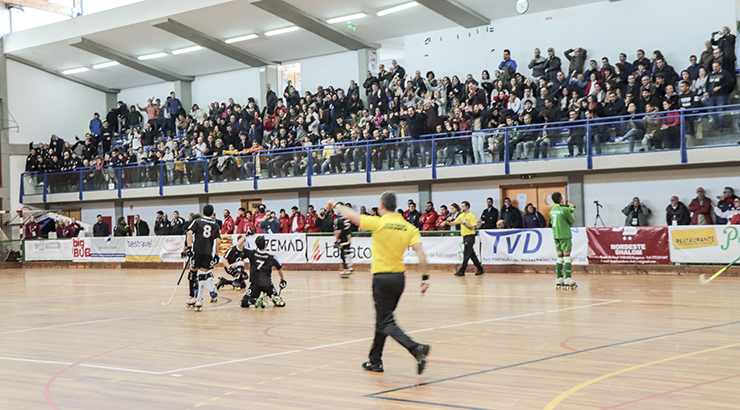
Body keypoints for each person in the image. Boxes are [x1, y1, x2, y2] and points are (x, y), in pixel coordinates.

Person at [327, 192, 430, 375]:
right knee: (383, 319)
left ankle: (416, 349)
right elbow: (421, 253)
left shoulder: (379, 223)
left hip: (382, 279)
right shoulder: (408, 227)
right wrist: (425, 278)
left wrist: (335, 204)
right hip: (399, 279)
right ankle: (375, 361)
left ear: (381, 205)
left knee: (385, 321)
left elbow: (350, 215)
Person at [181, 205, 221, 312]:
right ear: (212, 213)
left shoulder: (197, 221)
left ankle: (192, 296)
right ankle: (199, 299)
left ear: (203, 211)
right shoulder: (215, 225)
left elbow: (189, 233)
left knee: (193, 272)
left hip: (197, 251)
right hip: (208, 253)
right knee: (203, 275)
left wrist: (189, 248)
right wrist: (216, 255)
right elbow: (218, 241)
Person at [239, 235, 287, 308]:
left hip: (255, 284)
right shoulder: (271, 257)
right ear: (265, 244)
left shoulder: (252, 254)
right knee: (279, 302)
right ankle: (274, 298)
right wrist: (282, 280)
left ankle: (255, 301)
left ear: (256, 245)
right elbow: (279, 268)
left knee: (243, 303)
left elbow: (239, 246)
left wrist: (245, 235)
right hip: (267, 285)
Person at [445, 201, 484, 276]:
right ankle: (480, 268)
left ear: (467, 207)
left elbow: (473, 227)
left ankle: (462, 270)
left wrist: (464, 224)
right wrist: (447, 223)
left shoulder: (471, 216)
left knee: (466, 254)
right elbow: (455, 222)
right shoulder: (461, 215)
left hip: (470, 236)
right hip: (464, 236)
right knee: (471, 254)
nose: (461, 207)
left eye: (463, 206)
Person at [549, 192, 576, 290]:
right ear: (561, 199)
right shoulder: (564, 209)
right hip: (564, 235)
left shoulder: (552, 210)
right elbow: (572, 221)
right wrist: (571, 210)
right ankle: (568, 278)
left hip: (556, 235)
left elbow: (552, 222)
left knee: (559, 257)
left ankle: (559, 278)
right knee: (567, 257)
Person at [334, 203, 354, 278]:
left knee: (343, 253)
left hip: (343, 237)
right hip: (349, 236)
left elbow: (337, 231)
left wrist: (337, 240)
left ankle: (345, 269)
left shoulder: (338, 219)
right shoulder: (348, 217)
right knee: (348, 251)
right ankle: (350, 266)